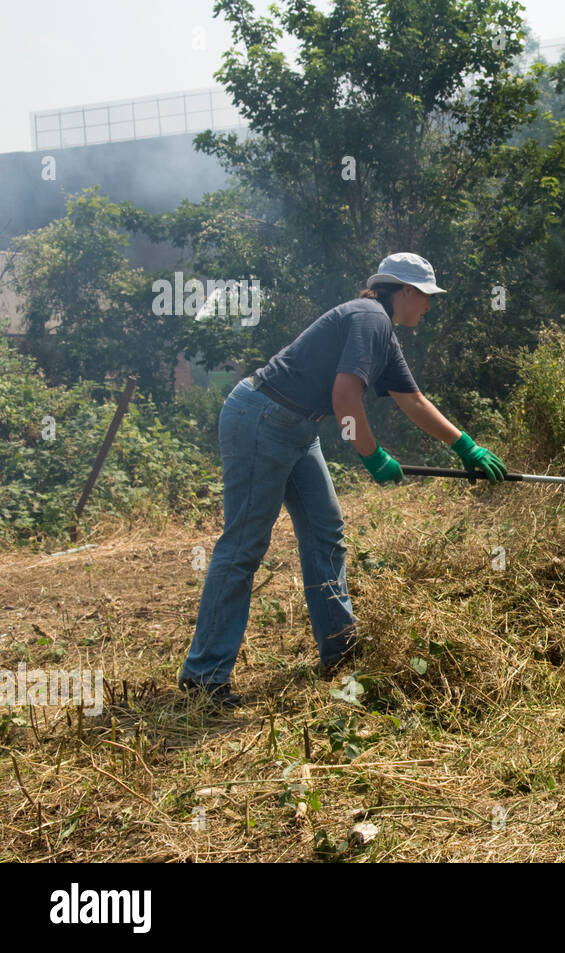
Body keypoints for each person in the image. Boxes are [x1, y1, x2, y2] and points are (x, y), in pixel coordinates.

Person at [178, 252, 506, 708]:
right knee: (244, 545)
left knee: (325, 532)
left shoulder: (384, 335)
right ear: (405, 291)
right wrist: (372, 457)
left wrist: (466, 446)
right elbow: (344, 397)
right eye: (426, 296)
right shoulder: (369, 317)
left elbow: (412, 401)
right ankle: (204, 678)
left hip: (296, 425)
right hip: (261, 417)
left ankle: (339, 650)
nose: (429, 307)